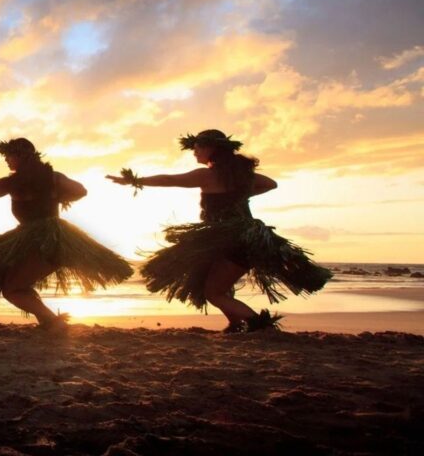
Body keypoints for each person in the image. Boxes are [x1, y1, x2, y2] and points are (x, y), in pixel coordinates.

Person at [106, 129, 332, 332]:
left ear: (211, 149)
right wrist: (242, 194)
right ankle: (235, 324)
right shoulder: (240, 176)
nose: (195, 153)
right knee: (213, 285)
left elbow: (169, 179)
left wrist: (134, 181)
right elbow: (270, 184)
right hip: (243, 238)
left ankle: (261, 326)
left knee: (214, 293)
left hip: (233, 241)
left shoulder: (207, 175)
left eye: (197, 148)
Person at [0, 138, 133, 331]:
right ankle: (49, 322)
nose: (6, 160)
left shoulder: (13, 183)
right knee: (17, 285)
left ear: (23, 156)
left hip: (41, 242)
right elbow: (80, 190)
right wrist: (58, 197)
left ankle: (53, 322)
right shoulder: (53, 177)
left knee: (12, 289)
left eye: (8, 156)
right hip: (55, 239)